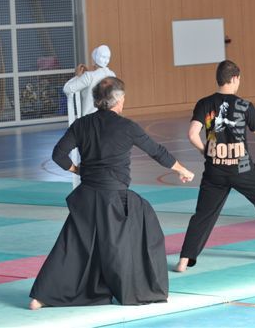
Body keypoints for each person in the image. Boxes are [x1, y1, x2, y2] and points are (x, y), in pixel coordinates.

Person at [29, 77, 194, 310]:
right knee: (145, 226)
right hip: (114, 200)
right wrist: (182, 170)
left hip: (86, 196)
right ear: (119, 100)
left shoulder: (82, 124)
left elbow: (58, 155)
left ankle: (41, 297)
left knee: (71, 245)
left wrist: (77, 170)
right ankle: (143, 289)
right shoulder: (127, 127)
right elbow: (156, 152)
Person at [176, 60, 255, 272]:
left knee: (203, 215)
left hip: (214, 171)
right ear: (235, 79)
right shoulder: (245, 105)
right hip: (243, 170)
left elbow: (192, 134)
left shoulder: (204, 103)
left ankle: (184, 260)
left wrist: (205, 151)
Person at [63, 44, 116, 118]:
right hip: (108, 118)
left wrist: (77, 77)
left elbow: (67, 89)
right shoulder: (112, 75)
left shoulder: (89, 76)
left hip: (91, 119)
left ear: (94, 60)